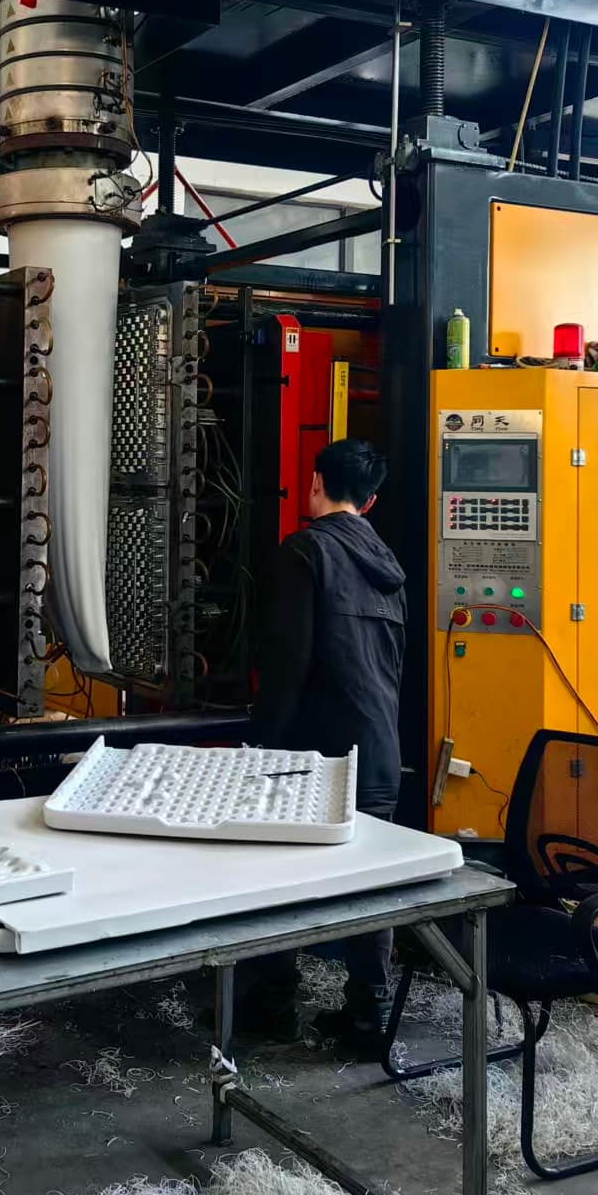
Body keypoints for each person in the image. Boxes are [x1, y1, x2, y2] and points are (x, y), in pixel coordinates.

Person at [248, 437, 407, 1049]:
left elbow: (288, 663)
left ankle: (273, 1005)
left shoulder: (306, 552)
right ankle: (369, 1017)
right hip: (378, 748)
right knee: (371, 881)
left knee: (278, 872)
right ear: (369, 501)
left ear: (315, 484)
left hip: (313, 754)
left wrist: (261, 746)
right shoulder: (388, 565)